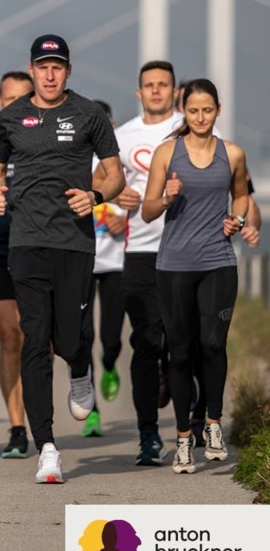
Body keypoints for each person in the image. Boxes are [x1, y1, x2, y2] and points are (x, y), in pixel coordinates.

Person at [0, 34, 124, 484]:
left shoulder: (89, 114)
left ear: (68, 71)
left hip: (74, 241)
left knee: (70, 337)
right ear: (31, 69)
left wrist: (96, 195)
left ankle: (80, 369)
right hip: (26, 241)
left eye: (57, 67)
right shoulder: (9, 117)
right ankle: (47, 446)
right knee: (35, 337)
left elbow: (115, 173)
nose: (49, 74)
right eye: (42, 66)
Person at [142, 78, 248, 473]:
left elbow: (241, 194)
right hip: (174, 266)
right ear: (182, 112)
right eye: (193, 110)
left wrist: (236, 220)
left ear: (217, 110)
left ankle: (214, 424)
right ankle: (184, 438)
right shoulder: (166, 152)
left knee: (214, 345)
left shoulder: (232, 153)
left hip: (218, 262)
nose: (201, 117)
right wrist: (167, 197)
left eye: (207, 110)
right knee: (182, 351)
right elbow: (148, 211)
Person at [104, 60, 182, 466]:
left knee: (185, 341)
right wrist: (116, 198)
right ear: (139, 93)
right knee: (145, 342)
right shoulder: (121, 136)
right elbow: (102, 182)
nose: (155, 91)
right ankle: (148, 435)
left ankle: (195, 422)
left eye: (163, 85)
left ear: (174, 90)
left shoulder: (197, 129)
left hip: (188, 250)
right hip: (138, 251)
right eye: (148, 85)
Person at [0, 72, 34, 458]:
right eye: (11, 98)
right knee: (10, 337)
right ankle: (17, 427)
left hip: (38, 248)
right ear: (0, 101)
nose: (17, 105)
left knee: (44, 341)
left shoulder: (44, 140)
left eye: (24, 98)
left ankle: (40, 417)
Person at [82, 100, 127, 438]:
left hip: (115, 263)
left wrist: (121, 222)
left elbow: (140, 204)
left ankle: (110, 363)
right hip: (81, 260)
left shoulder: (120, 162)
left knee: (110, 339)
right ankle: (92, 410)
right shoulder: (72, 159)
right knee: (84, 338)